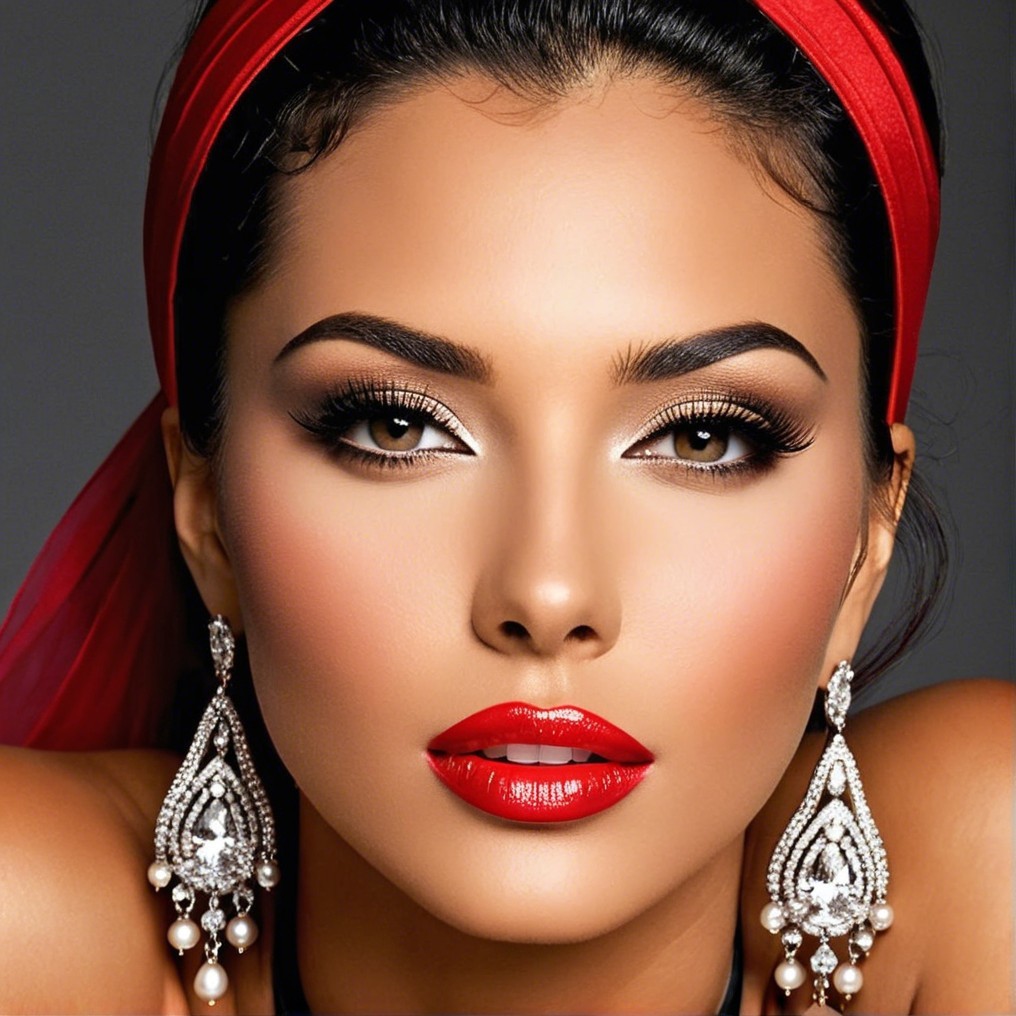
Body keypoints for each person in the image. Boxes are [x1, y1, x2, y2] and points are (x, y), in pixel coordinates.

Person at [0, 0, 1011, 1013]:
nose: (546, 590)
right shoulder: (32, 931)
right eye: (395, 426)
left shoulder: (982, 865)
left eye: (701, 437)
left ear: (865, 543)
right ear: (205, 507)